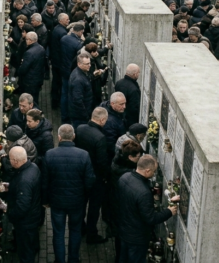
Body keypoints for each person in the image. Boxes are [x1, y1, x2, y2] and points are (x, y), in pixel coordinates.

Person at [42, 124, 95, 263]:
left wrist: (46, 199)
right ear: (73, 137)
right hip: (77, 202)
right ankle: (73, 259)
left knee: (58, 233)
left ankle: (59, 260)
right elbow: (89, 180)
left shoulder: (50, 154)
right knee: (75, 231)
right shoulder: (84, 155)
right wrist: (84, 197)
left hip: (57, 202)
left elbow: (45, 181)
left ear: (58, 137)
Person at [117, 155, 178, 263]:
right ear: (147, 170)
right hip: (137, 237)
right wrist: (169, 211)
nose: (154, 174)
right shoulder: (143, 193)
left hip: (124, 230)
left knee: (123, 259)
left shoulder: (124, 177)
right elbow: (150, 218)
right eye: (153, 171)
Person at [75, 107, 111, 244]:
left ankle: (80, 227)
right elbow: (102, 162)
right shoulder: (100, 138)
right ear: (102, 120)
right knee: (94, 208)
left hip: (80, 175)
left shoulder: (80, 128)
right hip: (95, 179)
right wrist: (105, 177)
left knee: (82, 204)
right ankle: (92, 233)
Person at [0, 146, 41, 263]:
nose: (9, 162)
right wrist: (10, 187)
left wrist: (7, 210)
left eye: (10, 160)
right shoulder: (33, 167)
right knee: (31, 244)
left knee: (26, 253)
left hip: (25, 223)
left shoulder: (24, 179)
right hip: (33, 216)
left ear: (16, 161)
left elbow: (22, 207)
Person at [106, 139, 143, 262]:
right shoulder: (127, 172)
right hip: (119, 208)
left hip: (115, 204)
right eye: (138, 156)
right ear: (131, 157)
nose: (140, 158)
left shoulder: (119, 159)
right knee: (121, 238)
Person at [60, 23, 85, 123]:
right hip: (72, 71)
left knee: (64, 93)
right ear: (79, 32)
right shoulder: (78, 43)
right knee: (70, 95)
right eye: (82, 33)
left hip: (64, 69)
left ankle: (63, 115)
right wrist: (82, 40)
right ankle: (68, 116)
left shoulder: (64, 38)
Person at [17, 32, 46, 105]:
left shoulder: (29, 53)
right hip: (38, 79)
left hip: (29, 82)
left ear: (30, 40)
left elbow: (23, 69)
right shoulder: (41, 48)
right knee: (35, 99)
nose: (25, 41)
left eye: (26, 39)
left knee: (30, 101)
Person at [49, 13, 69, 109]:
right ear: (61, 21)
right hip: (59, 62)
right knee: (58, 82)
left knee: (55, 81)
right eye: (66, 20)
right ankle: (56, 102)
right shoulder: (62, 33)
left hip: (55, 60)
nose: (68, 21)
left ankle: (54, 101)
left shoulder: (57, 29)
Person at [69, 53, 93, 129]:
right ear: (79, 64)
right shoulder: (78, 80)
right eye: (87, 64)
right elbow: (78, 101)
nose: (90, 65)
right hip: (80, 117)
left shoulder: (79, 73)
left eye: (90, 63)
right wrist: (86, 116)